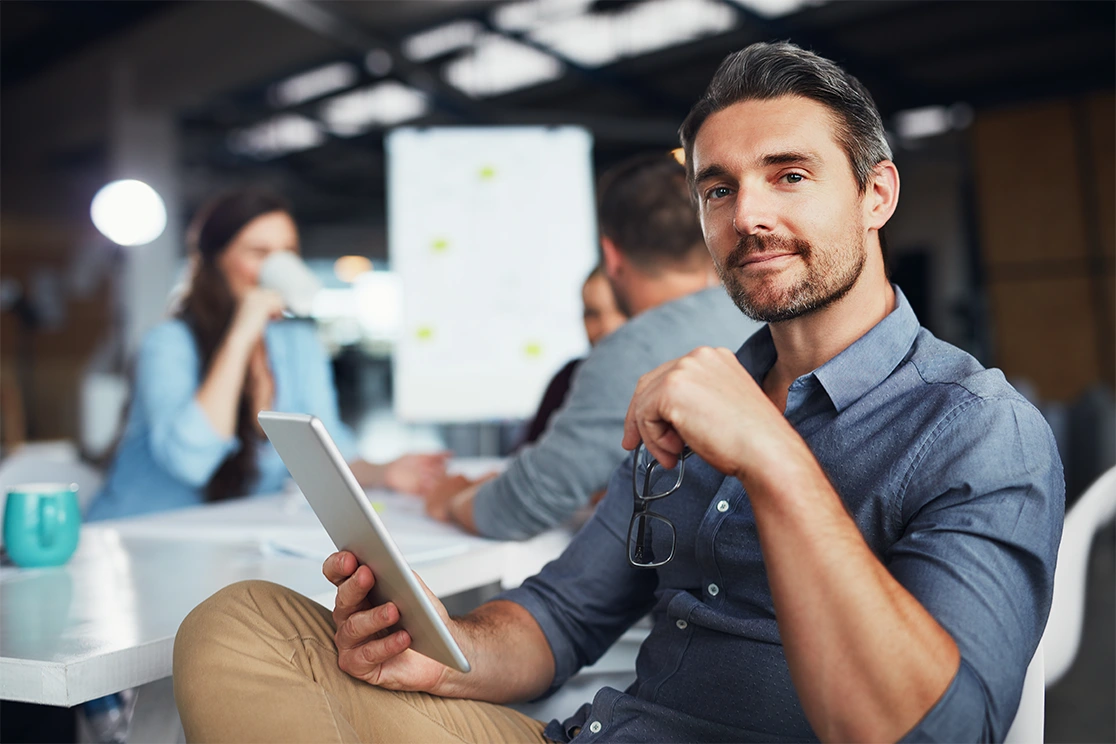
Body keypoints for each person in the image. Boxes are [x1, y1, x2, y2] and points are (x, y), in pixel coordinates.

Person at [173, 43, 1064, 743]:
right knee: (242, 625)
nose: (749, 215)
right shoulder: (695, 398)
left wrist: (772, 456)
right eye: (720, 188)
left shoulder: (979, 431)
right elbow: (561, 617)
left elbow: (936, 732)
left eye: (789, 175)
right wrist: (443, 652)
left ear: (876, 194)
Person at [423, 152, 762, 538]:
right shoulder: (761, 313)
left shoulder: (632, 351)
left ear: (611, 256)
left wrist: (450, 499)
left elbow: (521, 506)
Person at [87, 187, 447, 521]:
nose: (276, 267)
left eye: (287, 252)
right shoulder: (167, 343)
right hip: (138, 533)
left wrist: (386, 472)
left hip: (230, 536)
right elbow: (190, 461)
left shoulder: (297, 345)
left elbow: (326, 454)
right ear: (216, 261)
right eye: (258, 253)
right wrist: (243, 331)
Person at [515, 265, 628, 450]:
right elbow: (528, 455)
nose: (606, 326)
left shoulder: (667, 383)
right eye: (591, 314)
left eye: (619, 310)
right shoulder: (567, 380)